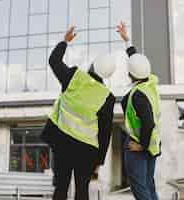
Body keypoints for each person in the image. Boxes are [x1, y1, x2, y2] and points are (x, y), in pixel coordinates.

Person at [41, 26, 116, 200]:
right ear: (106, 76)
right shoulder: (107, 97)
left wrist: (65, 41)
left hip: (62, 144)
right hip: (86, 151)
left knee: (61, 187)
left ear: (92, 66)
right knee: (82, 189)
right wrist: (99, 161)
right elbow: (105, 132)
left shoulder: (74, 76)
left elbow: (54, 61)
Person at [116, 22, 161, 200]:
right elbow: (136, 61)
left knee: (141, 190)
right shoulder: (150, 82)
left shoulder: (138, 95)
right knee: (149, 186)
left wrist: (140, 144)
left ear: (130, 74)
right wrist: (127, 40)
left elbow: (148, 122)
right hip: (153, 144)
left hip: (139, 144)